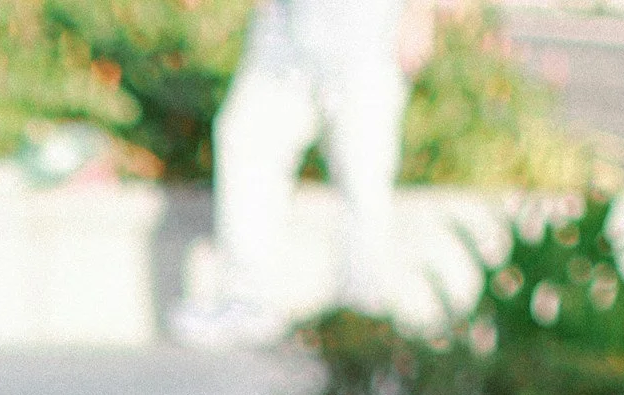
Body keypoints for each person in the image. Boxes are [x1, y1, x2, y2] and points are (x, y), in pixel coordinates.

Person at [171, 0, 442, 348]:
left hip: (369, 27)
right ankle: (248, 301)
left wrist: (419, 12)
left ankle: (364, 313)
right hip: (289, 26)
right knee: (248, 140)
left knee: (363, 172)